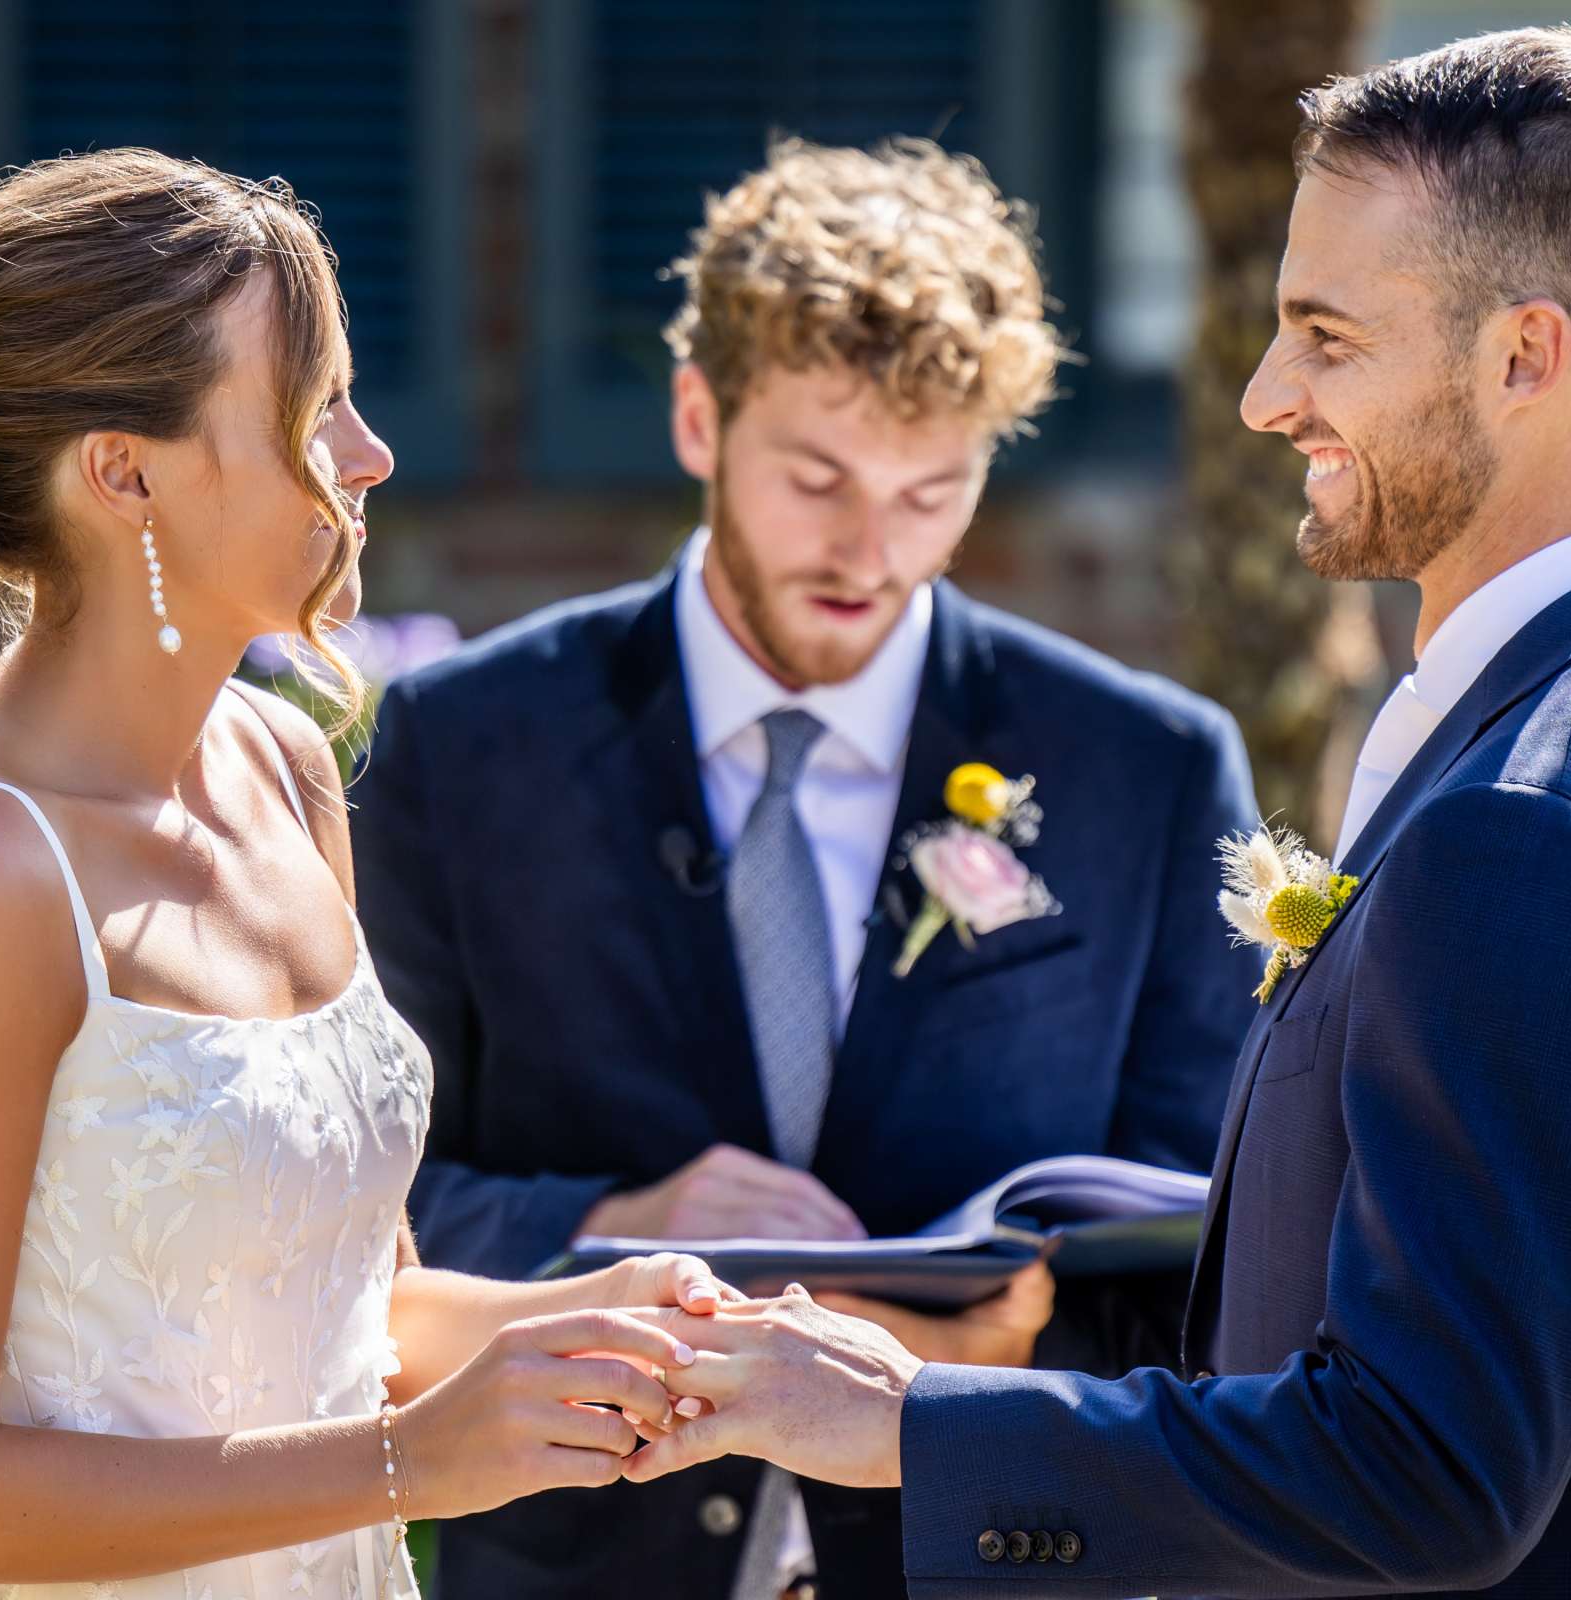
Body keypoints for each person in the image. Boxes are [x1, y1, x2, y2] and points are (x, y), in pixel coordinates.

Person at [624, 29, 1571, 1599]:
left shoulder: (1535, 826)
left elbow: (1428, 1471)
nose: (1269, 398)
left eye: (1327, 336)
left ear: (1525, 355)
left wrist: (909, 1422)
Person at [0, 148, 726, 1599]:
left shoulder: (285, 769)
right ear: (123, 472)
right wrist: (419, 1464)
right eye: (312, 407)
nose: (368, 456)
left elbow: (351, 1311)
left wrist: (603, 1316)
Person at [346, 137, 1260, 1599]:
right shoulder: (462, 749)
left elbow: (1218, 1249)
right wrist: (614, 1228)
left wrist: (987, 1367)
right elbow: (346, 1207)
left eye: (930, 492)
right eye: (818, 475)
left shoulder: (1144, 771)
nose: (867, 550)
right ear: (700, 417)